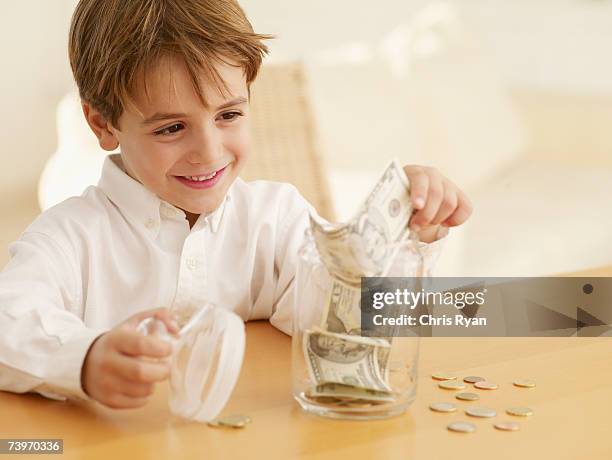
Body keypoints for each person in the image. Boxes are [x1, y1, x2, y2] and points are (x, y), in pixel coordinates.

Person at [0, 0, 472, 410]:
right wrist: (85, 360)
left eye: (228, 115)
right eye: (170, 128)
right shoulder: (70, 237)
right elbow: (8, 320)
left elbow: (347, 313)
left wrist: (407, 233)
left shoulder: (274, 216)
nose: (209, 152)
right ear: (102, 125)